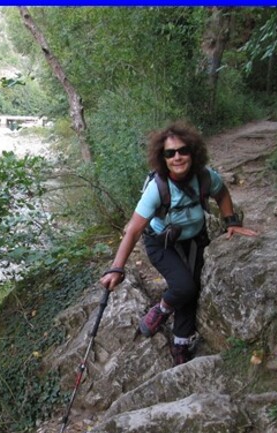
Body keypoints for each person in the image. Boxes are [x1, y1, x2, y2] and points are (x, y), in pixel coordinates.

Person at [99, 120, 258, 366]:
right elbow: (133, 230)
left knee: (191, 290)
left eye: (183, 150)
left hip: (195, 240)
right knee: (184, 286)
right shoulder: (157, 188)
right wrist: (116, 268)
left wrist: (231, 223)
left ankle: (180, 343)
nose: (177, 157)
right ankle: (161, 310)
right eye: (170, 153)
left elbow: (222, 193)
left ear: (193, 152)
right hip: (161, 244)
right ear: (162, 158)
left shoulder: (205, 178)